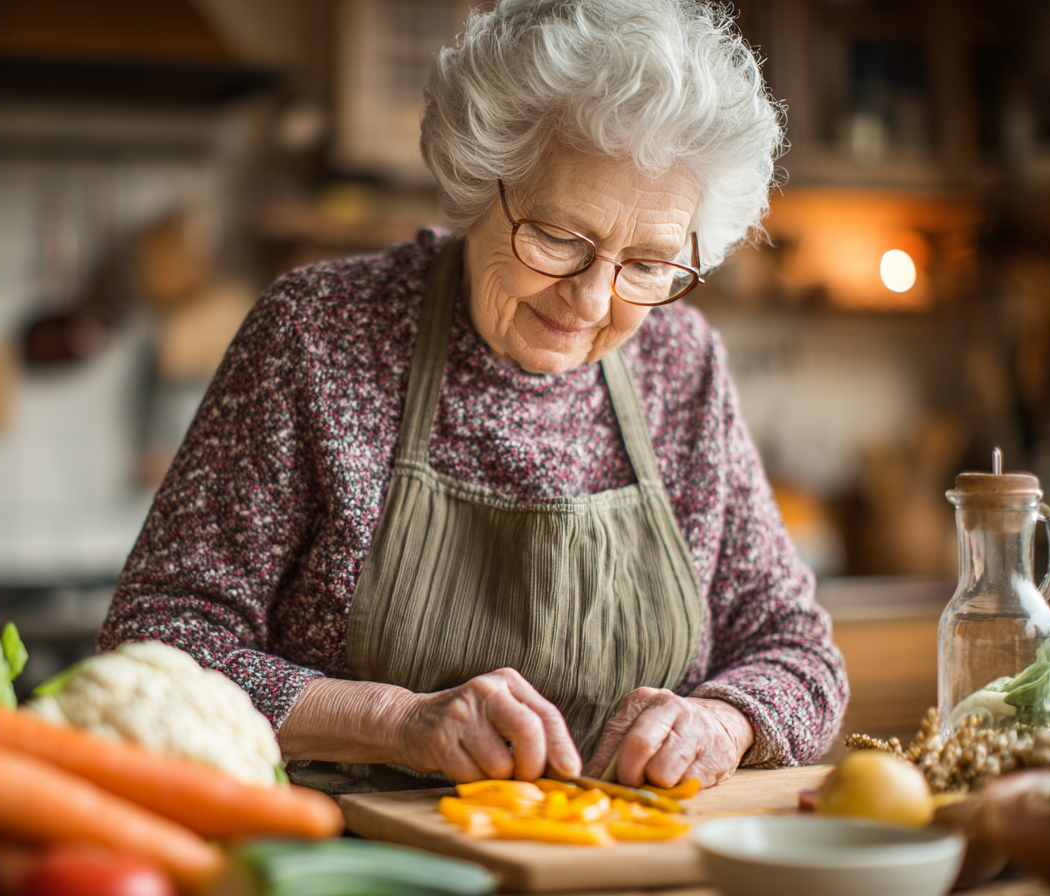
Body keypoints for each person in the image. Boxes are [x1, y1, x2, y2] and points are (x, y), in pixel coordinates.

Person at [100, 0, 848, 790]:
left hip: (623, 861)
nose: (593, 300)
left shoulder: (681, 363)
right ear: (475, 178)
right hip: (348, 856)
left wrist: (722, 720)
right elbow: (154, 645)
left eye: (650, 263)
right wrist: (394, 723)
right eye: (561, 237)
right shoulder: (316, 333)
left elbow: (799, 651)